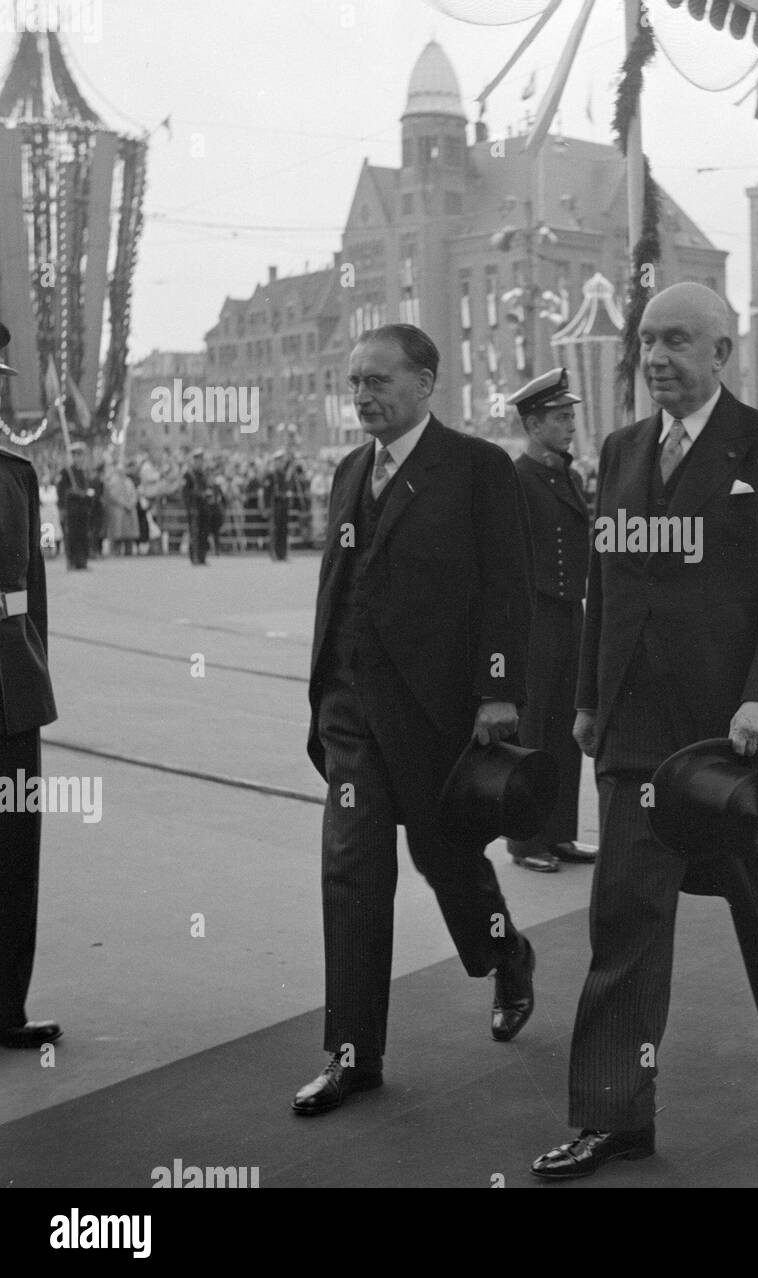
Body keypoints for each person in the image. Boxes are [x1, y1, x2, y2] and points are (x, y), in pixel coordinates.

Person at [531, 283, 758, 1182]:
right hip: (636, 731)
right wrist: (588, 698)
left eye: (676, 341)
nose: (656, 356)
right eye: (647, 341)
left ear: (722, 351)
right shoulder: (621, 452)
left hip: (733, 728)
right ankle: (613, 1115)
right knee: (623, 914)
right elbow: (605, 590)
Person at [296, 323, 535, 1117]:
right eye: (355, 382)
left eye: (378, 381)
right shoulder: (347, 473)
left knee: (447, 859)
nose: (363, 395)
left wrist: (498, 690)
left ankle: (505, 953)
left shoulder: (476, 468)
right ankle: (353, 1054)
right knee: (352, 873)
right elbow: (339, 587)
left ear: (426, 382)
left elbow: (508, 585)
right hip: (351, 714)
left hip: (434, 715)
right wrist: (326, 689)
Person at [504, 367, 597, 873]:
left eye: (570, 418)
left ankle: (560, 833)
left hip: (568, 612)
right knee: (533, 729)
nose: (570, 427)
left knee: (567, 723)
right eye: (561, 419)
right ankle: (525, 840)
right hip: (535, 615)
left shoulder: (566, 473)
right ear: (534, 424)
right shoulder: (516, 478)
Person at [0, 330, 61, 1050]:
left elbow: (33, 593)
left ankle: (5, 1007)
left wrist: (33, 667)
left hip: (10, 681)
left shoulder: (14, 467)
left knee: (14, 853)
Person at [55, 442, 95, 571]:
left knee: (83, 535)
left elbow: (87, 488)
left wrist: (86, 495)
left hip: (83, 509)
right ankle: (71, 561)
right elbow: (61, 491)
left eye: (81, 455)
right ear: (73, 456)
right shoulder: (66, 472)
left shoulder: (83, 472)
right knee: (72, 535)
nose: (79, 458)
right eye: (76, 455)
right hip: (71, 509)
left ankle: (82, 561)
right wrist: (72, 493)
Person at [263, 449, 297, 562]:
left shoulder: (283, 475)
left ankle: (282, 554)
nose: (281, 463)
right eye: (279, 461)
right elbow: (266, 493)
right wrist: (267, 507)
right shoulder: (271, 475)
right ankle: (274, 554)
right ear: (275, 462)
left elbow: (286, 488)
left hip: (283, 505)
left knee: (283, 530)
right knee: (275, 530)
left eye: (282, 461)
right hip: (274, 505)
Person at [182, 449, 211, 566]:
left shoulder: (203, 474)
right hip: (194, 508)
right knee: (195, 533)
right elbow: (185, 493)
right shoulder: (188, 475)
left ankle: (202, 557)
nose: (200, 463)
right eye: (198, 460)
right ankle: (194, 557)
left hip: (204, 508)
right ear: (194, 461)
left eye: (201, 460)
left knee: (204, 533)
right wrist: (200, 494)